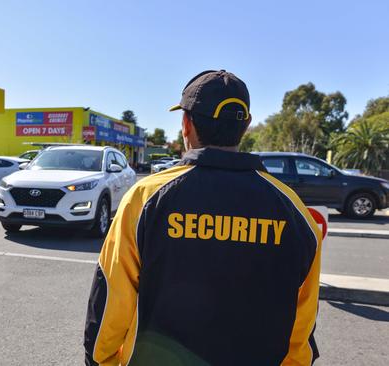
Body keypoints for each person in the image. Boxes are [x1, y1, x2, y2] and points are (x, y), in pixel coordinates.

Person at [84, 70, 322, 366]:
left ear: (186, 123)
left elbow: (111, 299)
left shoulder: (146, 198)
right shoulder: (295, 213)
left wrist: (99, 361)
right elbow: (302, 324)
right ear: (245, 126)